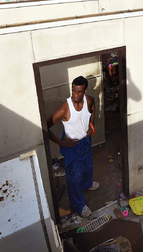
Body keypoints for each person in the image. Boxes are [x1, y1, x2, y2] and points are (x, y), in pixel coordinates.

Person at [47, 76, 99, 217]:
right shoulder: (65, 107)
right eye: (73, 91)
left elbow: (93, 108)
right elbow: (45, 126)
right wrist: (60, 141)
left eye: (79, 92)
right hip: (73, 146)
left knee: (88, 167)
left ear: (85, 91)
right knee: (74, 178)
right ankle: (78, 205)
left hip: (86, 142)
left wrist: (91, 124)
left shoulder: (89, 100)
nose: (75, 95)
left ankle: (87, 184)